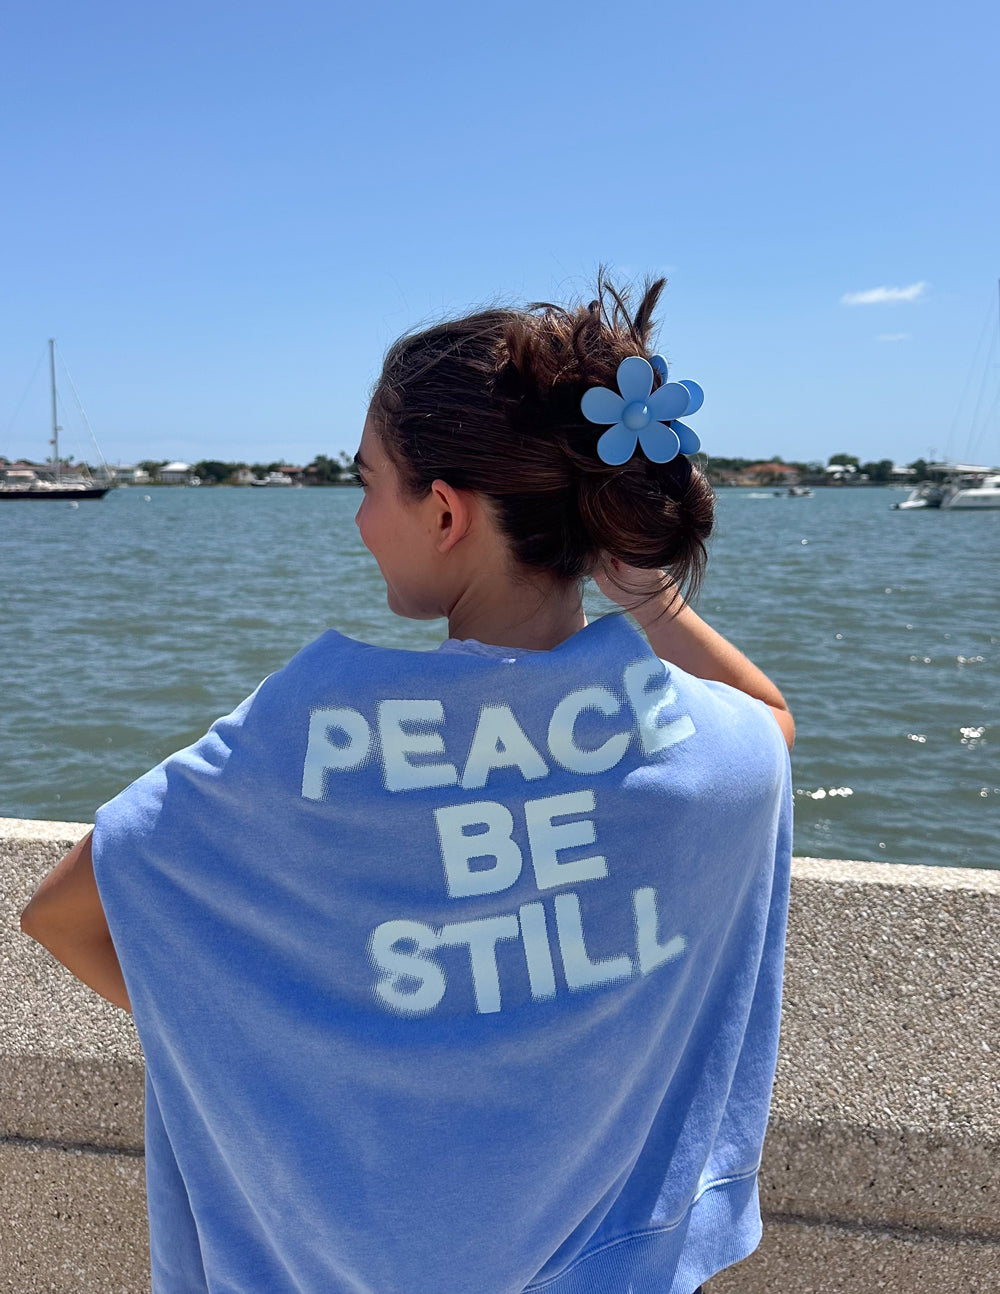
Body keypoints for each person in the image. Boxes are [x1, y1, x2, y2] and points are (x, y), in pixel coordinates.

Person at [21, 274, 793, 1294]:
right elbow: (769, 727)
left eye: (368, 481)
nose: (356, 519)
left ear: (442, 512)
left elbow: (65, 914)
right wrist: (642, 593)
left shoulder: (309, 732)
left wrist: (260, 1057)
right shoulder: (717, 754)